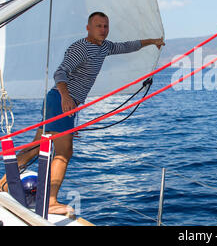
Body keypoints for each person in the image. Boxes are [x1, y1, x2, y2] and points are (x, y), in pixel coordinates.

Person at [0, 11, 165, 215]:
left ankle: (4, 182)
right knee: (63, 152)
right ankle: (50, 201)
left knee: (35, 147)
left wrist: (153, 41)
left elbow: (127, 46)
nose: (103, 30)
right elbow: (60, 73)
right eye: (98, 26)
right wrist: (66, 97)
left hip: (61, 103)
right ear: (88, 28)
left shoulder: (104, 47)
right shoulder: (81, 48)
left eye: (105, 26)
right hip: (61, 100)